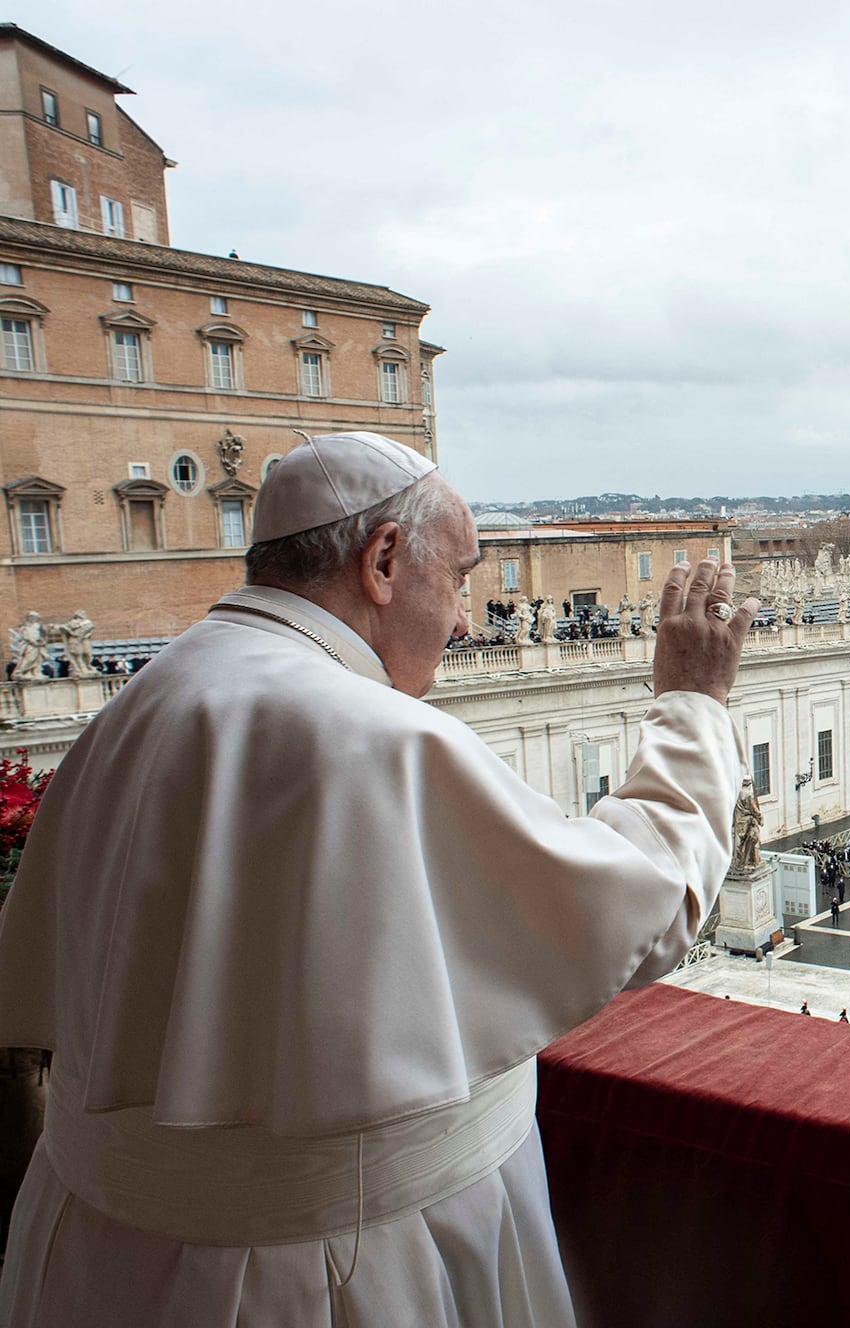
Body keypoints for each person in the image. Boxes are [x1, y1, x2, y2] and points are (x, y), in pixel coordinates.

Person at [0, 433, 758, 1326]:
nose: (469, 619)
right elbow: (649, 902)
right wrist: (693, 705)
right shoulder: (375, 737)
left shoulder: (139, 702)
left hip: (98, 1258)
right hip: (335, 1274)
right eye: (465, 577)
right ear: (385, 559)